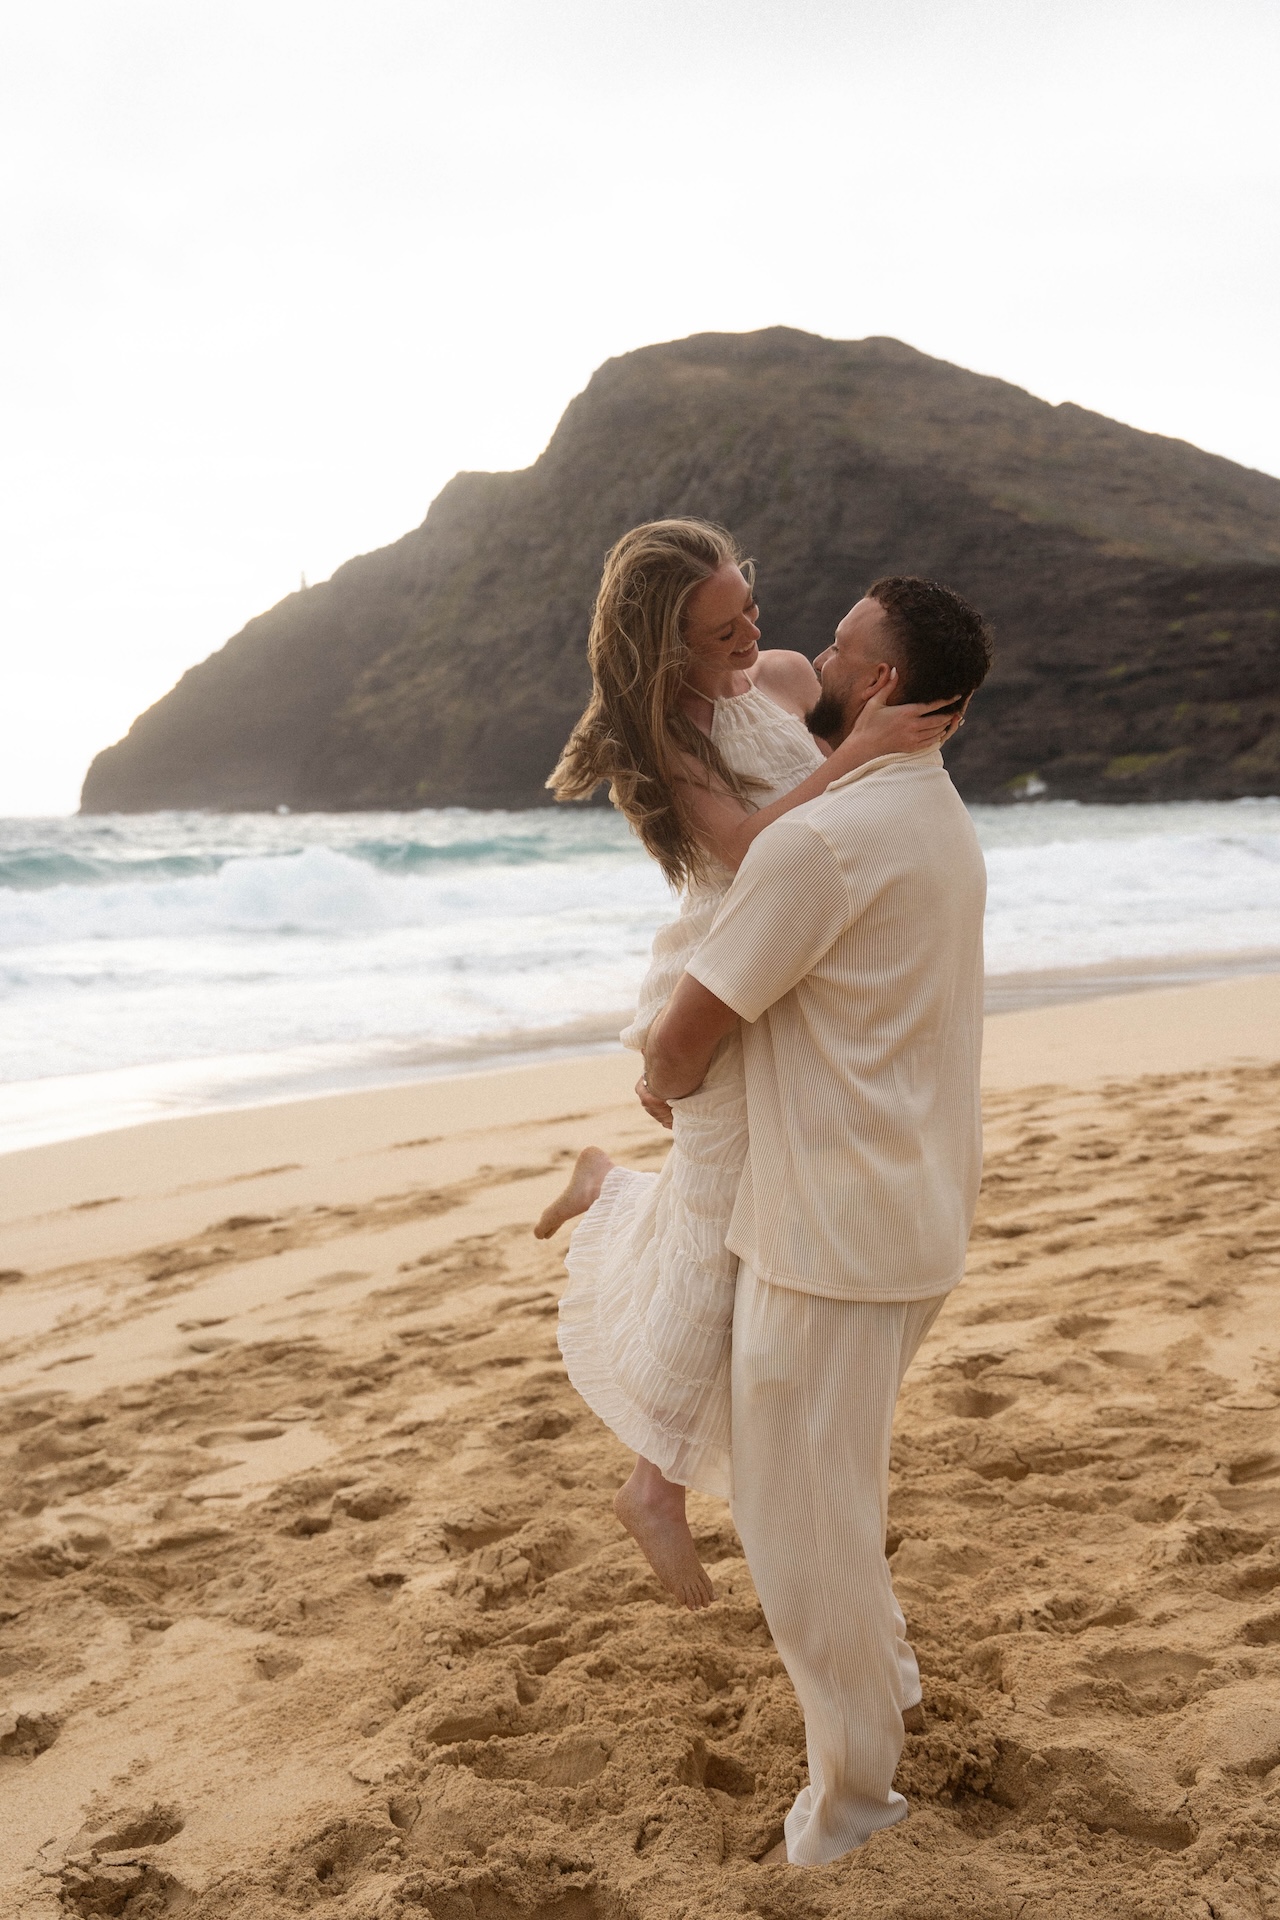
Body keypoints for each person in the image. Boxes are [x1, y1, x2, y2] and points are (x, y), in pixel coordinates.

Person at [535, 521, 962, 1610]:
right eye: (721, 631)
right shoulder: (673, 734)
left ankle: (610, 1191)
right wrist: (860, 757)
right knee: (726, 1229)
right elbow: (747, 851)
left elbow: (862, 721)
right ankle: (655, 1492)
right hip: (719, 978)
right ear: (666, 646)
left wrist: (885, 730)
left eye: (750, 614)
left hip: (783, 971)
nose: (752, 639)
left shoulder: (774, 678)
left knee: (734, 1216)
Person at [642, 574, 992, 1864]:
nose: (811, 655)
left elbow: (687, 1036)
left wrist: (654, 1083)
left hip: (829, 1235)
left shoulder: (817, 842)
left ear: (879, 687)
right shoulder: (932, 814)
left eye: (838, 646)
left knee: (798, 1530)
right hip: (910, 1213)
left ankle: (851, 1808)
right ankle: (890, 1693)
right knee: (836, 1490)